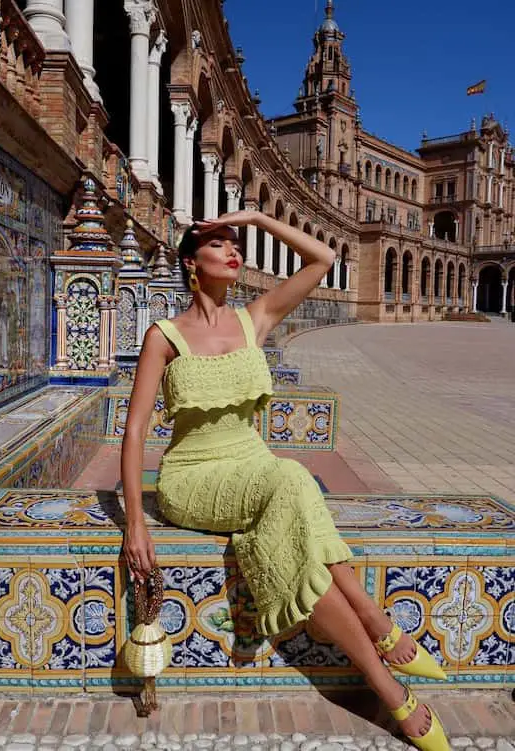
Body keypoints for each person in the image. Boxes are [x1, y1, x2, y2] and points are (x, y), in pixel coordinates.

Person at [121, 211, 449, 751]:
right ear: (191, 264)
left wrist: (257, 216)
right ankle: (382, 647)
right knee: (294, 480)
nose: (233, 250)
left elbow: (323, 259)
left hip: (255, 466)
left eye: (236, 242)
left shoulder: (256, 317)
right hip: (192, 479)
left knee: (290, 496)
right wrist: (136, 522)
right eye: (218, 243)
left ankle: (383, 672)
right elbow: (135, 432)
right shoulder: (165, 336)